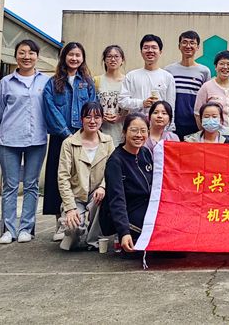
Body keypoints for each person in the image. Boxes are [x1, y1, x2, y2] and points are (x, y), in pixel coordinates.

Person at [0, 39, 50, 244]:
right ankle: (8, 229)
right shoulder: (6, 82)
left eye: (31, 53)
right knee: (10, 185)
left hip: (37, 139)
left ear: (37, 56)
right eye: (22, 52)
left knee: (31, 185)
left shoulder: (45, 82)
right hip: (10, 139)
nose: (27, 57)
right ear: (16, 56)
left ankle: (26, 228)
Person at [43, 42, 96, 241]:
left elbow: (92, 107)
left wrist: (84, 132)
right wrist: (66, 133)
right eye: (71, 55)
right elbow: (49, 108)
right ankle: (60, 223)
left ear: (83, 58)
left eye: (78, 55)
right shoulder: (53, 82)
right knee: (59, 178)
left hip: (83, 137)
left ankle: (80, 220)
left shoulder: (87, 82)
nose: (74, 58)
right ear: (64, 57)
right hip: (61, 138)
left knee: (81, 179)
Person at [58, 102, 114, 251]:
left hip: (97, 195)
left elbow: (112, 170)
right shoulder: (69, 143)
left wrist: (103, 187)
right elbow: (63, 178)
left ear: (102, 119)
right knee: (72, 228)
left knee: (104, 199)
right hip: (76, 196)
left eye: (97, 117)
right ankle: (70, 228)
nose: (92, 121)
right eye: (88, 117)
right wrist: (70, 208)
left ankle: (93, 239)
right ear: (81, 119)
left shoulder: (108, 141)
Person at [100, 113, 153, 253]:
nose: (139, 135)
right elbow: (116, 198)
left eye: (143, 131)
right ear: (124, 132)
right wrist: (124, 232)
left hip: (146, 208)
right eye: (134, 130)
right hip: (128, 213)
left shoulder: (145, 153)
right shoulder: (116, 161)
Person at [119, 34, 176, 128]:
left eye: (154, 47)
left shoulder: (167, 77)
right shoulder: (131, 76)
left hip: (160, 128)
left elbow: (170, 107)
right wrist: (142, 103)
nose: (150, 50)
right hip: (136, 126)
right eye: (146, 48)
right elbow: (122, 101)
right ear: (141, 52)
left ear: (160, 52)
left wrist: (169, 128)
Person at [164, 31, 211, 141]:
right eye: (184, 42)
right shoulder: (169, 70)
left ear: (198, 47)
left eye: (192, 43)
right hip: (173, 123)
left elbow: (205, 99)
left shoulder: (204, 71)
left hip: (195, 124)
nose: (188, 46)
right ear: (179, 46)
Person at [194, 50, 229, 141]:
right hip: (216, 136)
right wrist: (206, 134)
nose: (225, 67)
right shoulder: (206, 87)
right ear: (215, 67)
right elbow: (197, 114)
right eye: (221, 64)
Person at [95, 45, 127, 146]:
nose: (113, 59)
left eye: (116, 56)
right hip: (100, 133)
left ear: (122, 60)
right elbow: (91, 105)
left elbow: (132, 107)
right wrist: (100, 115)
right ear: (104, 60)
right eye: (109, 56)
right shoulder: (96, 81)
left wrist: (121, 116)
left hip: (122, 134)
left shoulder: (127, 81)